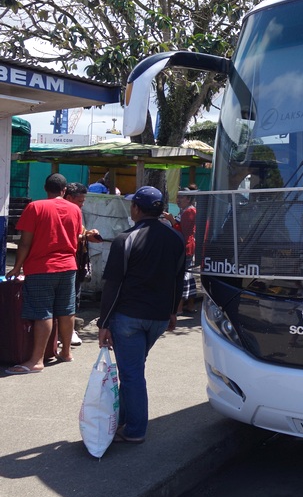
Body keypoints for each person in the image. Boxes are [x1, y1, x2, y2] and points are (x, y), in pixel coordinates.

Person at [97, 186, 185, 443]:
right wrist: (172, 311)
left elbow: (112, 285)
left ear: (136, 208)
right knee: (132, 368)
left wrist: (104, 322)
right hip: (158, 318)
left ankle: (135, 430)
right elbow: (177, 279)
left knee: (132, 373)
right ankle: (122, 418)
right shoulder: (175, 239)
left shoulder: (126, 239)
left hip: (128, 318)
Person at [4, 173, 82, 374]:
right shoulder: (75, 209)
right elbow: (76, 237)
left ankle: (36, 360)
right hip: (68, 266)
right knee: (66, 309)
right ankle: (66, 352)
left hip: (41, 268)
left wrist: (17, 266)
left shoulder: (35, 207)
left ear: (46, 189)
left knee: (42, 313)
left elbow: (25, 243)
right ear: (64, 191)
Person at [63, 182, 104, 345]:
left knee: (74, 298)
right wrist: (85, 236)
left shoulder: (77, 214)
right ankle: (63, 334)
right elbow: (65, 237)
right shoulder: (62, 212)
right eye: (80, 201)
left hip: (76, 263)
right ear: (69, 197)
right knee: (65, 301)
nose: (82, 204)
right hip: (65, 265)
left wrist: (88, 234)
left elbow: (79, 233)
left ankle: (68, 331)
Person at [162, 187, 198, 315]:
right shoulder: (184, 211)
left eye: (181, 197)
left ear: (188, 199)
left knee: (182, 277)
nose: (178, 200)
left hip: (186, 247)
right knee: (188, 276)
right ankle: (190, 305)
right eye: (178, 197)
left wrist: (171, 220)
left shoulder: (189, 212)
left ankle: (179, 307)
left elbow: (184, 232)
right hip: (185, 246)